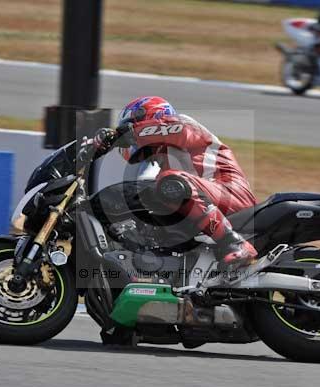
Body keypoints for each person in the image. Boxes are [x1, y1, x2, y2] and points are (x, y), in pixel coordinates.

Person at [87, 96, 258, 271]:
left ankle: (234, 242)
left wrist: (126, 132)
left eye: (132, 123)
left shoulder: (184, 125)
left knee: (170, 181)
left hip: (231, 193)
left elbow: (175, 130)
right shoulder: (167, 161)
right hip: (209, 198)